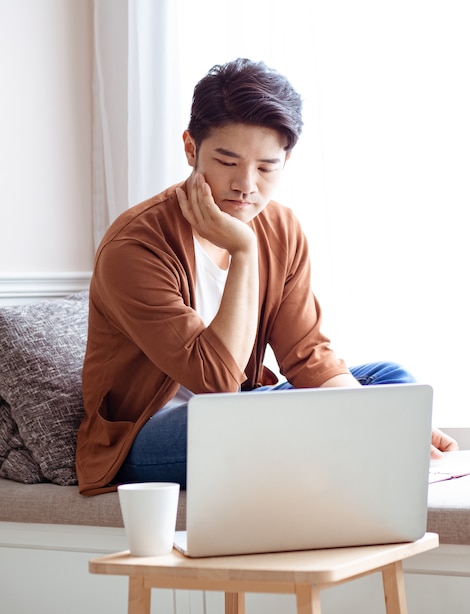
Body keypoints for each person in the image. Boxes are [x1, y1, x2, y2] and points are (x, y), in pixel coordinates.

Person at [76, 58, 457, 495]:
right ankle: (364, 445)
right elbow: (216, 382)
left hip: (246, 412)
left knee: (389, 381)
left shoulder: (282, 227)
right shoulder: (135, 245)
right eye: (227, 161)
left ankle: (360, 439)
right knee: (291, 414)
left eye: (266, 167)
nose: (246, 185)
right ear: (190, 148)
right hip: (149, 435)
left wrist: (375, 416)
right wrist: (243, 248)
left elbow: (305, 351)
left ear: (286, 160)